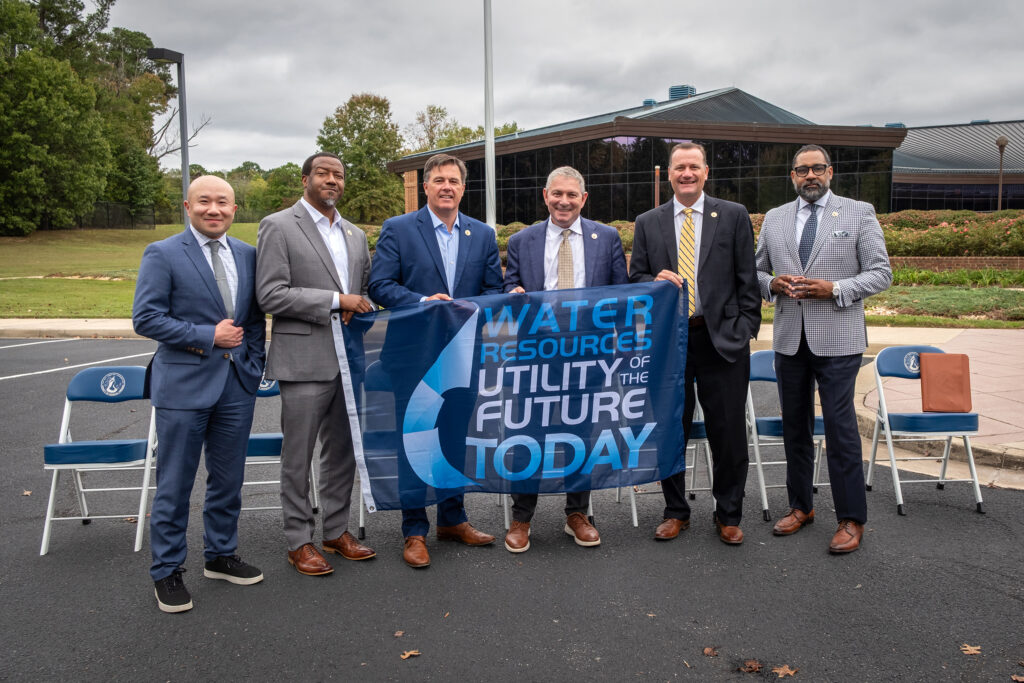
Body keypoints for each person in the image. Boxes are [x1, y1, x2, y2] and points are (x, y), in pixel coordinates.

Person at [133, 175, 266, 613]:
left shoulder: (248, 254)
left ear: (234, 209)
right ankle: (167, 571)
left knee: (228, 480)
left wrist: (253, 362)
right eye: (204, 201)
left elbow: (254, 318)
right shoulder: (164, 253)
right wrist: (207, 335)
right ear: (187, 207)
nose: (215, 209)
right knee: (175, 483)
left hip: (236, 387)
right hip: (183, 386)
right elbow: (146, 318)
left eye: (223, 202)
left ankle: (220, 555)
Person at [754, 144, 892, 554]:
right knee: (794, 426)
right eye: (801, 170)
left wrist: (836, 289)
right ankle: (801, 507)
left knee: (840, 427)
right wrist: (772, 285)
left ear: (830, 172)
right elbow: (756, 269)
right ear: (792, 176)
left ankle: (851, 518)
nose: (809, 176)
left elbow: (881, 272)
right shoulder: (776, 218)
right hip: (789, 339)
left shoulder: (858, 212)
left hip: (838, 339)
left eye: (817, 169)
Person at [368, 153, 503, 568]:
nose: (447, 186)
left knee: (453, 439)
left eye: (454, 181)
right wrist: (424, 302)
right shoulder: (399, 229)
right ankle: (414, 530)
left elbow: (493, 288)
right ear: (425, 187)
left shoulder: (481, 234)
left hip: (463, 355)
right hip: (413, 355)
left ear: (464, 188)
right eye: (439, 180)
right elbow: (379, 285)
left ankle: (452, 518)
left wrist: (502, 300)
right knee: (416, 439)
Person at [629, 142, 761, 545]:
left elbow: (747, 279)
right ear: (668, 174)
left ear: (706, 172)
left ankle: (729, 513)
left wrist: (746, 328)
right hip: (671, 341)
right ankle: (675, 511)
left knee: (729, 432)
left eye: (693, 167)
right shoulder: (648, 221)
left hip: (723, 340)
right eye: (679, 167)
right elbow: (635, 279)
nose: (686, 173)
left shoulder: (733, 215)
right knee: (670, 428)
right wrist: (652, 282)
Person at [255, 152, 377, 576]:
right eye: (323, 173)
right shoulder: (278, 226)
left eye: (338, 175)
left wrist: (360, 304)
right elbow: (270, 294)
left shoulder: (355, 235)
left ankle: (336, 531)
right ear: (305, 179)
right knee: (298, 455)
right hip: (303, 358)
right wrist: (333, 301)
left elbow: (361, 292)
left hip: (348, 360)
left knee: (342, 453)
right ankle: (298, 540)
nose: (332, 180)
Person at [502, 165, 628, 552]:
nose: (564, 201)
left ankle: (578, 513)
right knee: (528, 435)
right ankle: (522, 518)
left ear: (583, 199)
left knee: (582, 434)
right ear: (545, 196)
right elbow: (507, 285)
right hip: (535, 355)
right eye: (557, 194)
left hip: (587, 355)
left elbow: (622, 293)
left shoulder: (606, 238)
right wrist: (515, 290)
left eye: (572, 195)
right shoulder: (522, 240)